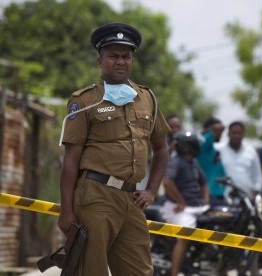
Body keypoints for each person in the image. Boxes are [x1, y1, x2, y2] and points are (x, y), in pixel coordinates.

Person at [58, 23, 170, 275]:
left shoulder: (147, 99)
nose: (120, 61)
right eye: (113, 56)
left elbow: (162, 148)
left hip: (132, 200)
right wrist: (66, 211)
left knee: (139, 271)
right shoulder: (84, 101)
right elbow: (71, 159)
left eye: (126, 56)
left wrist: (151, 190)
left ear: (132, 60)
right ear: (100, 60)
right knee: (92, 270)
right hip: (96, 196)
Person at [162, 132, 210, 276]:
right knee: (185, 236)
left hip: (195, 206)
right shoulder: (176, 161)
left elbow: (204, 183)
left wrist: (206, 200)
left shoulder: (192, 162)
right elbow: (167, 182)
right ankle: (174, 273)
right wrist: (180, 201)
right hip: (179, 208)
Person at [219, 121, 262, 197]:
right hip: (223, 196)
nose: (237, 136)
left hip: (245, 198)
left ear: (243, 135)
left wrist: (256, 193)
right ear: (228, 134)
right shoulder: (219, 149)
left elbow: (257, 175)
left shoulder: (251, 152)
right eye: (234, 133)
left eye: (239, 133)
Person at [196, 117, 227, 206]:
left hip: (219, 194)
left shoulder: (213, 148)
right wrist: (207, 131)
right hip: (209, 195)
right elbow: (219, 127)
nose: (221, 134)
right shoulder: (204, 143)